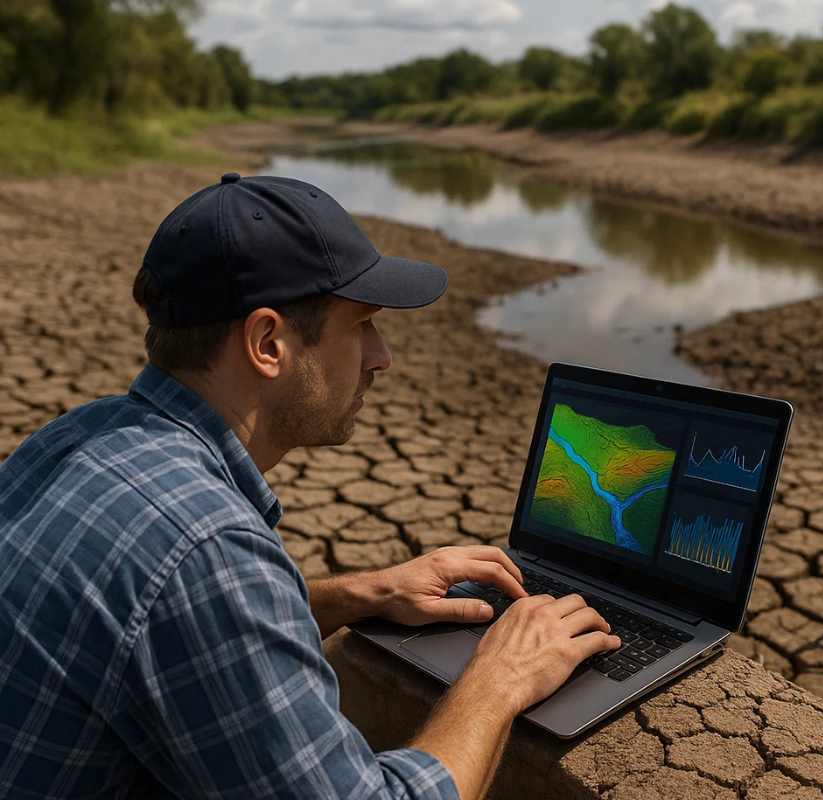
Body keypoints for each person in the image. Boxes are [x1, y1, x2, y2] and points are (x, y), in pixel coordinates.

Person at [0, 173, 621, 800]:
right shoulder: (205, 549)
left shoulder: (76, 436)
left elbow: (165, 623)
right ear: (268, 343)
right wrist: (501, 678)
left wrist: (360, 593)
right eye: (362, 325)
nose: (381, 357)